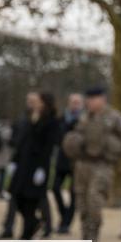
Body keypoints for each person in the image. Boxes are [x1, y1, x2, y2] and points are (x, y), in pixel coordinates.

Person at [61, 85, 121, 242]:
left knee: (94, 201)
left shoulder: (114, 117)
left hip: (103, 165)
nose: (89, 102)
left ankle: (93, 238)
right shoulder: (84, 117)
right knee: (82, 203)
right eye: (88, 99)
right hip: (82, 165)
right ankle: (85, 239)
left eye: (93, 99)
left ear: (102, 99)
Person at [8, 92, 59, 239]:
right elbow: (22, 141)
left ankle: (27, 232)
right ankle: (34, 223)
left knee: (31, 201)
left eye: (38, 101)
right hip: (24, 163)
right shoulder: (30, 118)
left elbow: (47, 147)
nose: (34, 104)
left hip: (37, 165)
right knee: (17, 197)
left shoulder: (51, 122)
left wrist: (42, 169)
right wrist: (14, 160)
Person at [53, 93, 82, 234]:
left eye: (77, 103)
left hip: (76, 162)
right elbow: (57, 138)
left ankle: (66, 223)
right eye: (73, 102)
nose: (75, 105)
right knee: (55, 188)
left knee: (74, 193)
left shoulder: (84, 120)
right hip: (62, 160)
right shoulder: (61, 119)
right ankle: (64, 214)